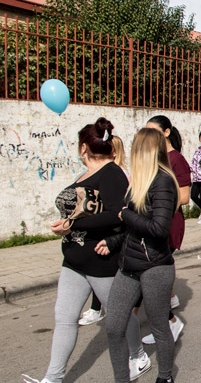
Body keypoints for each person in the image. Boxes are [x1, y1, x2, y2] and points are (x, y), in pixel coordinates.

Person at [23, 118, 148, 383]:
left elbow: (118, 214)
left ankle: (138, 355)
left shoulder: (112, 173)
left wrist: (71, 224)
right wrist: (70, 226)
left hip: (101, 261)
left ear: (83, 148)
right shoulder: (85, 174)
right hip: (73, 260)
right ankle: (52, 378)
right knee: (65, 318)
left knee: (120, 315)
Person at [95, 128, 180, 383]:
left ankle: (165, 377)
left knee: (159, 328)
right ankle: (122, 378)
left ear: (144, 151)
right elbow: (133, 228)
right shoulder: (139, 182)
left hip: (155, 266)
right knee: (114, 327)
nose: (132, 151)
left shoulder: (163, 181)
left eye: (135, 147)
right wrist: (112, 241)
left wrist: (125, 214)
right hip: (129, 265)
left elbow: (158, 229)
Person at [140, 115, 191, 345]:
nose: (149, 136)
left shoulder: (176, 160)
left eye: (154, 131)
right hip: (151, 224)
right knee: (151, 278)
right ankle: (167, 316)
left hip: (168, 225)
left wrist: (156, 204)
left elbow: (184, 197)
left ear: (167, 132)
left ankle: (169, 323)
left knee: (150, 279)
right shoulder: (153, 158)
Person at [78, 135, 127, 327]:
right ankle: (98, 308)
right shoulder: (96, 172)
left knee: (108, 278)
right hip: (98, 234)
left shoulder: (116, 173)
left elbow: (117, 212)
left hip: (112, 234)